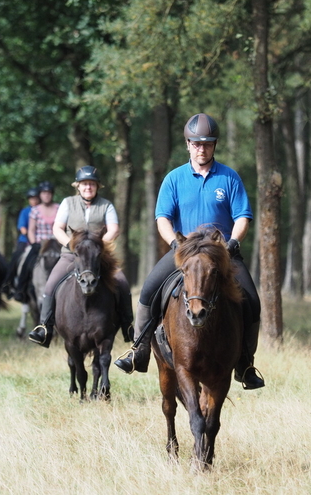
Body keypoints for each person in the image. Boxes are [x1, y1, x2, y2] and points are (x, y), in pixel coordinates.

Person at [114, 113, 264, 390]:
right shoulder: (174, 179)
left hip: (222, 253)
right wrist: (175, 243)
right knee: (148, 290)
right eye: (196, 143)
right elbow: (163, 219)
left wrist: (232, 242)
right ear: (188, 144)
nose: (201, 148)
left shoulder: (229, 178)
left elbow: (243, 216)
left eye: (207, 144)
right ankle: (140, 350)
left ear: (214, 145)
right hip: (185, 251)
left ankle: (245, 363)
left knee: (252, 301)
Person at [28, 166, 133, 348]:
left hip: (99, 257)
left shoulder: (106, 205)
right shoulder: (68, 203)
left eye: (92, 184)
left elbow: (114, 229)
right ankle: (45, 327)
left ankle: (128, 327)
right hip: (71, 256)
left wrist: (99, 246)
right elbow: (57, 228)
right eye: (84, 184)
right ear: (78, 186)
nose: (88, 188)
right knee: (51, 284)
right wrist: (72, 245)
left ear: (98, 186)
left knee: (122, 283)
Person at [13, 181, 59, 302]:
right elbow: (31, 230)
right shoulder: (35, 210)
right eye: (44, 193)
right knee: (27, 262)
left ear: (52, 194)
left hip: (56, 244)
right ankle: (20, 289)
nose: (47, 195)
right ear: (40, 195)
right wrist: (34, 243)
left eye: (49, 193)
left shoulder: (59, 208)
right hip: (40, 244)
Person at [2, 187, 40, 298]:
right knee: (16, 256)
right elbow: (22, 228)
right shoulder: (25, 211)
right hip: (25, 240)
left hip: (41, 241)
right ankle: (8, 283)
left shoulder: (42, 210)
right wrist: (30, 238)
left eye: (35, 198)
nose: (34, 200)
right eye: (31, 198)